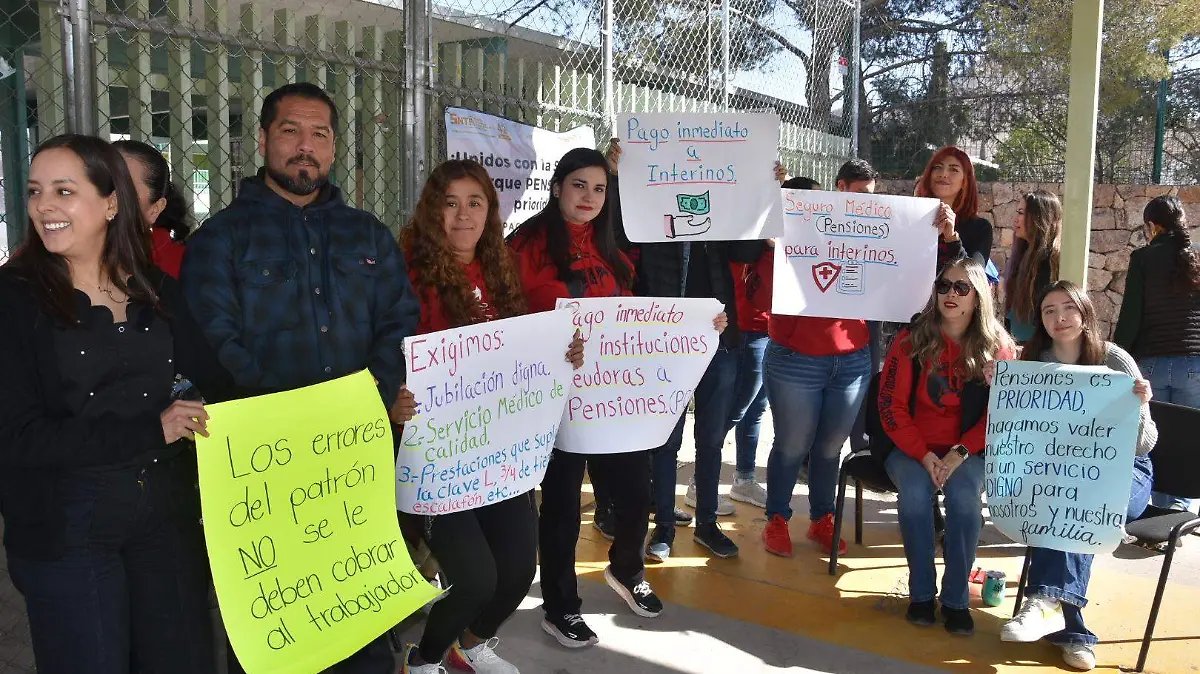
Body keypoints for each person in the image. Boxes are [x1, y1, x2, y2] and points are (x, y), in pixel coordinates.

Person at [181, 82, 420, 673]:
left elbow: (398, 323)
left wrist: (366, 401)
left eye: (320, 134)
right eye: (290, 131)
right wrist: (288, 421)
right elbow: (212, 341)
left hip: (355, 459)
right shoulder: (220, 239)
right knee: (276, 632)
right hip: (265, 470)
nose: (304, 147)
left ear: (335, 149)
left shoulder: (369, 236)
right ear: (262, 140)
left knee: (361, 619)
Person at [0, 134, 230, 673]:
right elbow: (16, 435)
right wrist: (153, 429)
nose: (44, 206)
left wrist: (350, 412)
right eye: (35, 191)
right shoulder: (14, 299)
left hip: (164, 521)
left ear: (110, 203)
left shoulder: (155, 290)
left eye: (63, 190)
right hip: (65, 528)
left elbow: (221, 384)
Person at [391, 159, 585, 673]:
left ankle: (469, 646)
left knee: (520, 571)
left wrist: (562, 355)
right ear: (433, 211)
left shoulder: (502, 267)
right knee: (476, 577)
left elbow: (523, 352)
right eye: (449, 203)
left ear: (489, 212)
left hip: (498, 452)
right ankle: (425, 658)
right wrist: (393, 393)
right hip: (436, 455)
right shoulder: (405, 271)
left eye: (474, 202)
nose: (462, 215)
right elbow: (386, 350)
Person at [756, 158, 962, 559]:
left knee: (830, 449)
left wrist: (946, 236)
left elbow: (937, 271)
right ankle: (777, 518)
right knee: (792, 445)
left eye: (871, 196)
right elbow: (763, 268)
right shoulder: (796, 223)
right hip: (796, 358)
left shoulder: (876, 230)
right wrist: (770, 224)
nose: (864, 203)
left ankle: (821, 518)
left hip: (850, 360)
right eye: (857, 194)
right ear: (839, 188)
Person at [509, 148, 663, 647]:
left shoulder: (610, 244)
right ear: (557, 188)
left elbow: (632, 313)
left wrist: (702, 326)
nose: (589, 197)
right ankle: (560, 606)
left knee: (638, 495)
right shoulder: (527, 244)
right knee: (561, 510)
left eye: (598, 188)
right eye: (579, 185)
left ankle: (626, 569)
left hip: (611, 396)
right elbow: (508, 317)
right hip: (554, 399)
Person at [998, 280, 1156, 671]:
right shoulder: (1033, 362)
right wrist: (999, 385)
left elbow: (1145, 443)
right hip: (1062, 475)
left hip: (1126, 473)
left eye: (1068, 308)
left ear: (1085, 314)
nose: (1059, 317)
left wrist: (1138, 405)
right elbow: (1017, 428)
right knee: (1068, 500)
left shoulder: (1114, 359)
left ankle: (1045, 603)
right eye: (1049, 310)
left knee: (1075, 501)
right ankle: (1074, 632)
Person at [606, 138, 748, 561]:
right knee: (664, 441)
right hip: (664, 340)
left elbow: (747, 249)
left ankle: (706, 523)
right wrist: (615, 179)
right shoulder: (651, 211)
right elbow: (617, 230)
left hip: (717, 338)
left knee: (710, 439)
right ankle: (664, 525)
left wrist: (764, 191)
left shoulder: (723, 206)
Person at [878, 257, 1014, 637]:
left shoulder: (998, 346)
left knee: (966, 501)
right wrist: (924, 455)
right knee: (915, 499)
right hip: (912, 449)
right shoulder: (911, 340)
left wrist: (960, 452)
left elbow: (1000, 413)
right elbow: (891, 406)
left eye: (961, 288)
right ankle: (921, 594)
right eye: (943, 286)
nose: (950, 295)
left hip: (968, 451)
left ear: (978, 297)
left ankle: (955, 600)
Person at [723, 174, 820, 506]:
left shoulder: (806, 237)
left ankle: (744, 478)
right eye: (810, 202)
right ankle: (699, 480)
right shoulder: (758, 232)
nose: (817, 209)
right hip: (749, 328)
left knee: (756, 409)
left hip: (772, 332)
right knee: (736, 407)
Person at [1114, 195, 1200, 512]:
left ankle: (1162, 511)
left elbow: (1131, 317)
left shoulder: (1143, 259)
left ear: (1152, 226)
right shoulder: (1196, 258)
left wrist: (1118, 358)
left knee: (1156, 441)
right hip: (1194, 365)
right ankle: (1179, 511)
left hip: (1150, 364)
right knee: (1188, 440)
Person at [113, 139, 191, 278]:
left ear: (155, 209)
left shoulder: (186, 268)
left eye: (124, 190)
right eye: (101, 184)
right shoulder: (66, 260)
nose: (108, 198)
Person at [914, 146, 993, 262]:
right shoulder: (912, 219)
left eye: (953, 170)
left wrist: (951, 238)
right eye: (937, 167)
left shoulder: (980, 228)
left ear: (965, 181)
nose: (943, 174)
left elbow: (974, 276)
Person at [1003, 190, 1061, 344]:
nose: (1015, 220)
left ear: (1039, 217)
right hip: (1016, 344)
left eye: (1021, 213)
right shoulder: (1022, 254)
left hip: (1038, 349)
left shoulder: (1050, 260)